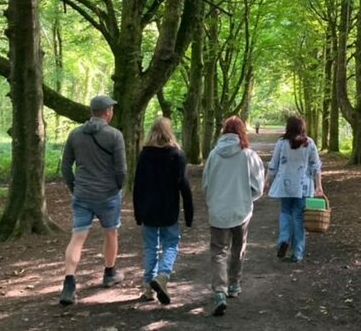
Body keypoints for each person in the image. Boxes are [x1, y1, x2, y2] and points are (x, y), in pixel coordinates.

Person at [59, 95, 127, 306]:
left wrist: (74, 188)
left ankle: (69, 284)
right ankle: (109, 273)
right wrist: (118, 187)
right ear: (107, 112)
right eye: (112, 109)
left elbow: (65, 167)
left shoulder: (75, 134)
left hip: (83, 194)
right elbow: (121, 169)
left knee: (77, 237)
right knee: (111, 232)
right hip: (107, 194)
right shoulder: (115, 136)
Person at [202, 116, 265, 316]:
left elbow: (206, 183)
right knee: (239, 247)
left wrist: (212, 201)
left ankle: (219, 290)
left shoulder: (213, 154)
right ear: (241, 132)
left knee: (219, 251)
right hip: (241, 210)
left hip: (218, 210)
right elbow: (258, 185)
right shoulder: (248, 155)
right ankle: (234, 285)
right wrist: (249, 198)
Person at [133, 117, 194, 305]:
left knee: (151, 247)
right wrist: (189, 213)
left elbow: (138, 186)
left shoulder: (144, 155)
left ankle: (148, 287)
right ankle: (163, 275)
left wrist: (137, 211)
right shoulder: (177, 155)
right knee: (171, 244)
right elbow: (184, 185)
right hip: (169, 209)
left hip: (148, 210)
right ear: (170, 132)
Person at [264, 115, 323, 263]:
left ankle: (284, 239)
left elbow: (273, 164)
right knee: (298, 217)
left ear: (288, 127)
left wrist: (266, 181)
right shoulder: (309, 143)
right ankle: (297, 253)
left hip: (285, 185)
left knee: (285, 212)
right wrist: (319, 187)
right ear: (303, 127)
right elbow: (316, 167)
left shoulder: (282, 143)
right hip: (303, 187)